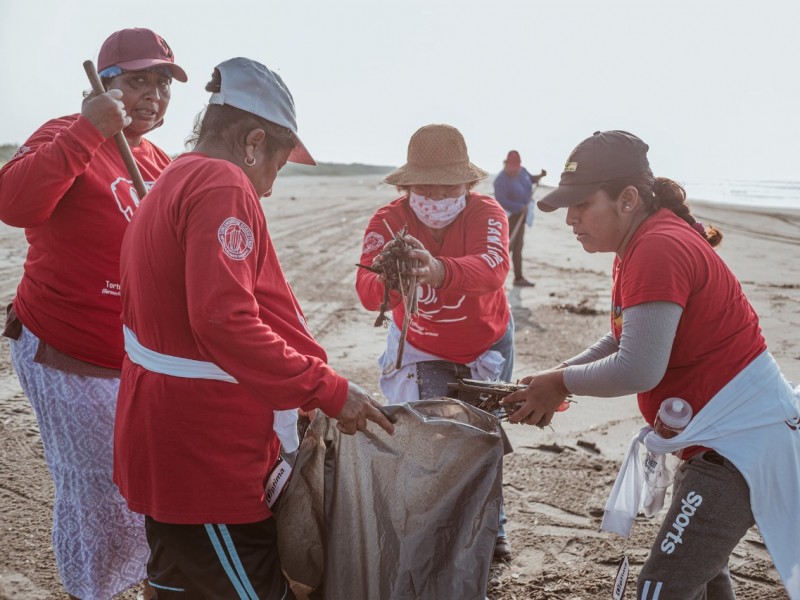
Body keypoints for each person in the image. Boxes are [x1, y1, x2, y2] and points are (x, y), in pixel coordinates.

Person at [113, 57, 395, 598]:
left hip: (170, 432)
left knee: (178, 583)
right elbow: (224, 321)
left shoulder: (174, 173)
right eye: (278, 165)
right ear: (253, 141)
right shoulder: (223, 183)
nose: (268, 187)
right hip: (206, 452)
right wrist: (328, 389)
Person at [502, 130, 800, 598]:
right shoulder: (643, 240)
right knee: (701, 585)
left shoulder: (657, 247)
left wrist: (560, 382)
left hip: (739, 449)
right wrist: (558, 377)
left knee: (658, 590)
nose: (571, 220)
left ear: (627, 198)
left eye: (581, 205)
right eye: (567, 208)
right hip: (717, 441)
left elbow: (640, 367)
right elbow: (627, 336)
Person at [0, 28, 186, 600]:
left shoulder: (161, 160)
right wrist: (88, 131)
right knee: (96, 489)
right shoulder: (64, 133)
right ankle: (93, 591)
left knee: (145, 482)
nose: (152, 93)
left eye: (161, 83)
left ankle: (136, 584)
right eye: (137, 81)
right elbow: (14, 203)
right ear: (103, 86)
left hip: (132, 353)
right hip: (65, 345)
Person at [356, 123, 516, 560]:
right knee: (432, 437)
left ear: (468, 183)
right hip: (422, 345)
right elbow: (367, 290)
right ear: (407, 186)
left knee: (485, 435)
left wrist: (439, 271)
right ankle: (430, 521)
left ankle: (492, 524)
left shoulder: (487, 214)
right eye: (425, 188)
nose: (437, 198)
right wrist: (394, 277)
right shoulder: (388, 221)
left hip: (488, 342)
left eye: (448, 188)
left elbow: (492, 269)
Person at [492, 150, 544, 287]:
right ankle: (494, 278)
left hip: (521, 216)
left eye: (517, 168)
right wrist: (519, 207)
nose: (515, 171)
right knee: (506, 247)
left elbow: (530, 179)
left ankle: (518, 278)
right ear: (506, 165)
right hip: (508, 217)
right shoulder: (500, 180)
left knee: (518, 247)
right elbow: (500, 200)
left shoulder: (522, 171)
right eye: (512, 168)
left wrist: (539, 177)